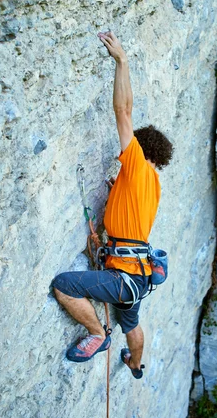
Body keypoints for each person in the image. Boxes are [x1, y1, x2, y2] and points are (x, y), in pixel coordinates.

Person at [51, 31, 173, 378]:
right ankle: (136, 363)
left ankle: (97, 335)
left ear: (140, 148)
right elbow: (127, 216)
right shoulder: (151, 184)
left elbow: (123, 109)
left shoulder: (135, 165)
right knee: (131, 322)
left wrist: (122, 61)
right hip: (137, 277)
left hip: (122, 277)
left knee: (64, 285)